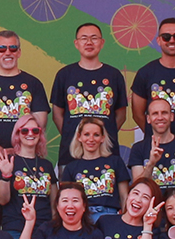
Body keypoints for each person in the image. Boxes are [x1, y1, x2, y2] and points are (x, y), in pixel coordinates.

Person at [51, 22, 128, 163]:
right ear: (76, 43)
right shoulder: (64, 75)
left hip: (106, 152)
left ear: (102, 42)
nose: (89, 42)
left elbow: (121, 115)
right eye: (84, 38)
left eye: (94, 38)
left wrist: (103, 136)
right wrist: (74, 137)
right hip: (71, 154)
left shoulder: (114, 75)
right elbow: (57, 114)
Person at [0, 30, 50, 155]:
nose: (8, 53)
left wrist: (21, 151)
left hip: (26, 159)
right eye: (2, 49)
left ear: (19, 52)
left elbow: (40, 124)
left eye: (13, 48)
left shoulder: (34, 84)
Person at [0, 114, 56, 232]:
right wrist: (6, 175)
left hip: (44, 229)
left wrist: (55, 227)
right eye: (25, 131)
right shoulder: (7, 161)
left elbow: (54, 203)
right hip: (16, 228)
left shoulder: (47, 165)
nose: (30, 134)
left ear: (40, 134)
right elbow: (2, 200)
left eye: (35, 130)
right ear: (17, 134)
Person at [63, 117, 129, 219]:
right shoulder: (70, 167)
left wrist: (124, 221)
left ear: (102, 138)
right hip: (83, 218)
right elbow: (66, 201)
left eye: (96, 135)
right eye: (86, 134)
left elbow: (124, 197)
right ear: (79, 137)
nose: (91, 139)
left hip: (110, 216)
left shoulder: (115, 161)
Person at [129, 98, 175, 192]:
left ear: (171, 116)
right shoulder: (138, 148)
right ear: (148, 119)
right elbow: (137, 188)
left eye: (164, 113)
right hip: (149, 205)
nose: (160, 117)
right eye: (155, 113)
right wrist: (151, 164)